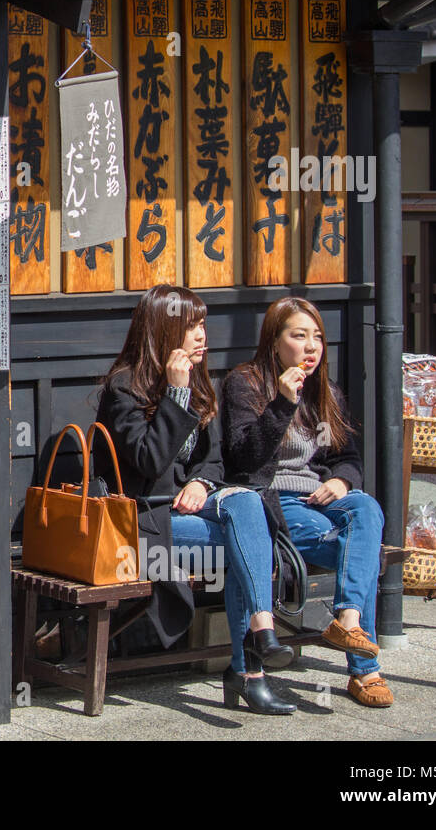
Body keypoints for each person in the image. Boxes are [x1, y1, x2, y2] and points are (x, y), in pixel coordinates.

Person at [95, 285, 295, 715]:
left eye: (202, 324)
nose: (202, 335)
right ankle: (248, 671)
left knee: (245, 504)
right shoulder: (124, 388)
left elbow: (214, 460)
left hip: (192, 507)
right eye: (191, 326)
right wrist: (175, 394)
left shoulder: (202, 381)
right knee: (249, 547)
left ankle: (261, 628)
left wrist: (203, 483)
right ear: (163, 330)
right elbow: (149, 461)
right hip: (145, 520)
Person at [221, 297, 392, 708]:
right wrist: (281, 403)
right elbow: (243, 460)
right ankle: (365, 670)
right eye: (299, 336)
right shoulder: (245, 384)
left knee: (367, 508)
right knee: (361, 554)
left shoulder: (324, 391)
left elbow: (348, 457)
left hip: (320, 498)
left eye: (317, 337)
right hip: (275, 502)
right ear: (274, 342)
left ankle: (347, 620)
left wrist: (342, 480)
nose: (311, 346)